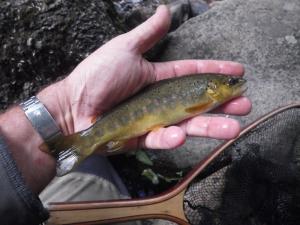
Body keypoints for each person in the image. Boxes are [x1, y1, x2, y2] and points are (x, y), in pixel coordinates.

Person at [0, 5, 251, 225]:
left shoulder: (207, 91)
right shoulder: (205, 94)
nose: (236, 83)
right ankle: (81, 146)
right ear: (212, 88)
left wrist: (62, 108)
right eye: (230, 82)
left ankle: (75, 147)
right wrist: (65, 106)